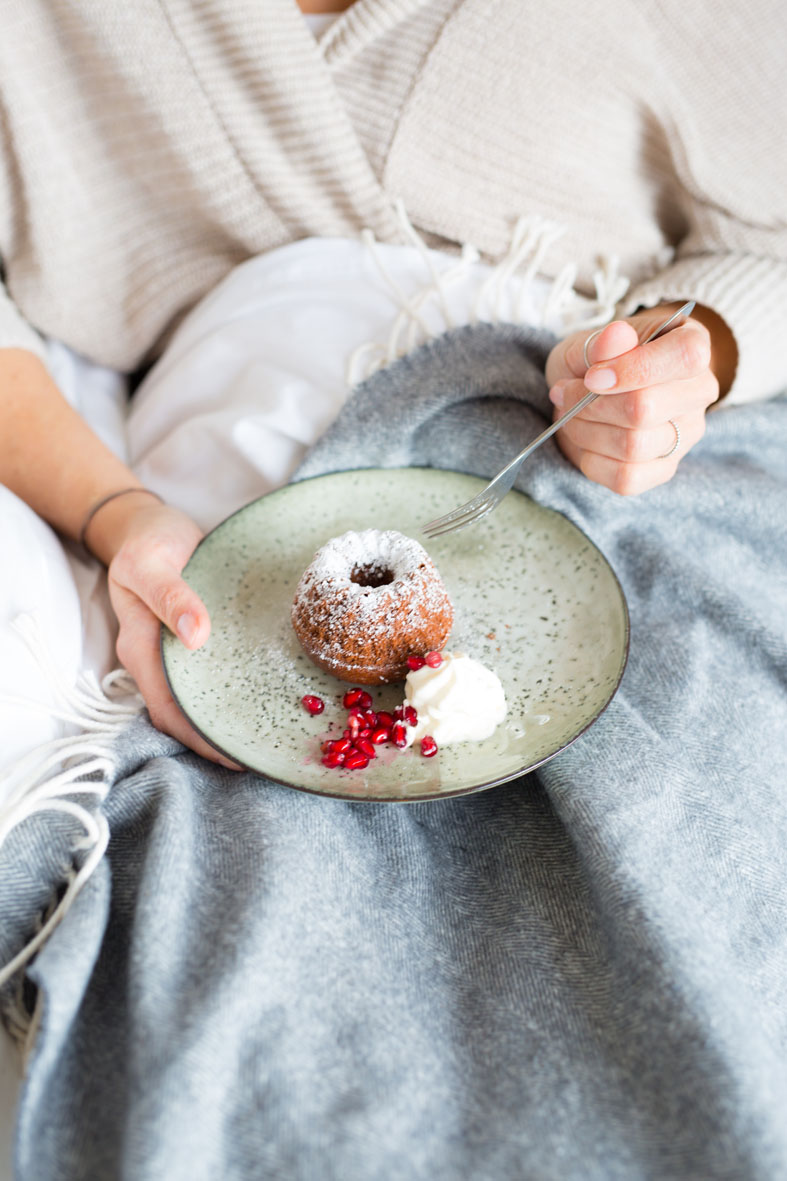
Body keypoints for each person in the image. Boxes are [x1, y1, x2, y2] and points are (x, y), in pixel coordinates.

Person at [0, 0, 783, 770]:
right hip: (235, 504)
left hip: (598, 458)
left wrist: (668, 362)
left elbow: (765, 236)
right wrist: (118, 514)